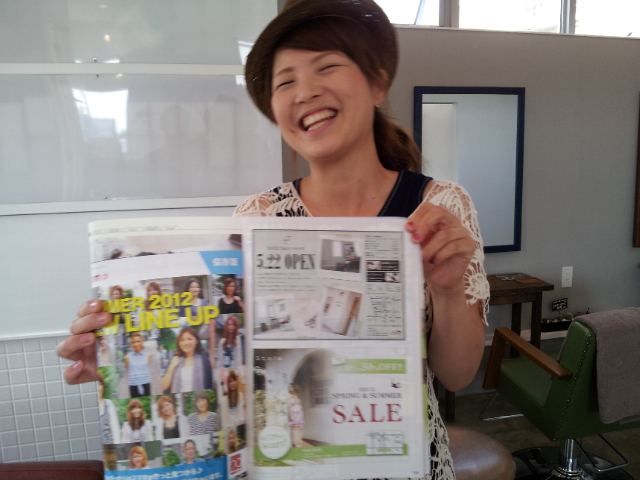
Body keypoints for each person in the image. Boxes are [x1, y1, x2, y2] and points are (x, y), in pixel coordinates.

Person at [57, 1, 488, 477]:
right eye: (285, 82)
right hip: (288, 461)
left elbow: (457, 375)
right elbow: (231, 366)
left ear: (377, 84)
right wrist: (118, 358)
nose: (305, 91)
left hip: (407, 462)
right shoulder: (257, 218)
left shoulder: (437, 207)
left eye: (327, 66)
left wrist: (448, 291)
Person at [161, 327, 213, 393]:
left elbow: (209, 385)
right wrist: (171, 367)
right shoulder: (174, 361)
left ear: (196, 341)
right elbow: (162, 387)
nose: (186, 342)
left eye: (189, 339)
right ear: (179, 343)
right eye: (182, 340)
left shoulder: (205, 361)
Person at [124, 332, 152, 398]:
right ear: (131, 344)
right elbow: (127, 369)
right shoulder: (127, 357)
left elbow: (147, 366)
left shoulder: (148, 355)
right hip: (133, 385)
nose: (135, 344)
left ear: (142, 342)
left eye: (138, 341)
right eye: (133, 342)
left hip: (145, 383)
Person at [97, 372, 120, 444]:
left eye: (99, 384)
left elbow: (115, 429)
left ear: (103, 386)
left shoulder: (108, 403)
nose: (97, 388)